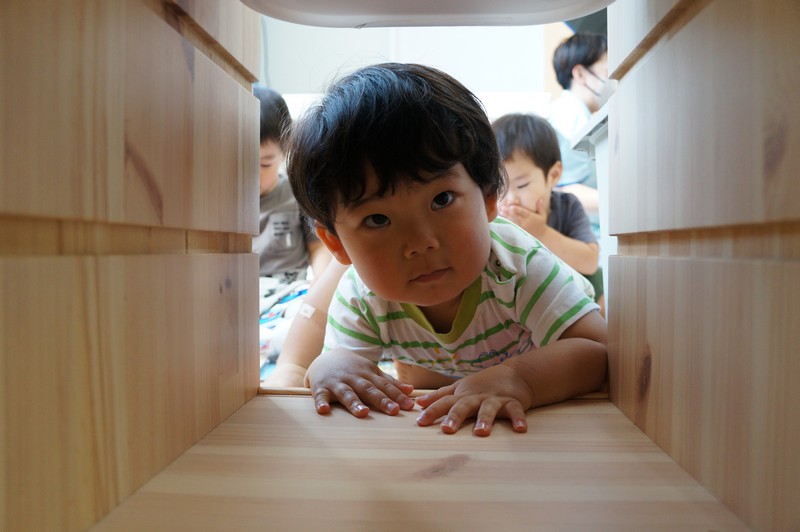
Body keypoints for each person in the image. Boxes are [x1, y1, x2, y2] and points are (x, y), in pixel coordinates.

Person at [285, 62, 607, 437]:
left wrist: (519, 378)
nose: (421, 242)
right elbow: (343, 364)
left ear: (489, 198)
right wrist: (329, 367)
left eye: (441, 199)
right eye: (377, 219)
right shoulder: (360, 295)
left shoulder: (516, 266)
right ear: (336, 243)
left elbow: (600, 350)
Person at [493, 112, 605, 316]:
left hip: (573, 292)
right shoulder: (495, 215)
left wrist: (541, 232)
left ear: (553, 175)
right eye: (500, 187)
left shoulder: (566, 206)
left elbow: (590, 262)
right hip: (524, 301)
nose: (510, 199)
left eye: (522, 185)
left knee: (605, 289)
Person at [252, 86, 331, 373]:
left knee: (311, 323)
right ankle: (259, 342)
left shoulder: (294, 195)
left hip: (289, 294)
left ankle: (267, 343)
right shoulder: (219, 202)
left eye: (265, 163)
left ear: (285, 149)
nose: (253, 175)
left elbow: (319, 249)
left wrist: (319, 293)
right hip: (242, 295)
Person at [548, 32, 609, 237]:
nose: (614, 79)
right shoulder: (569, 117)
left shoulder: (578, 116)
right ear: (581, 74)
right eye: (608, 71)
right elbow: (564, 189)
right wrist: (624, 202)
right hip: (584, 237)